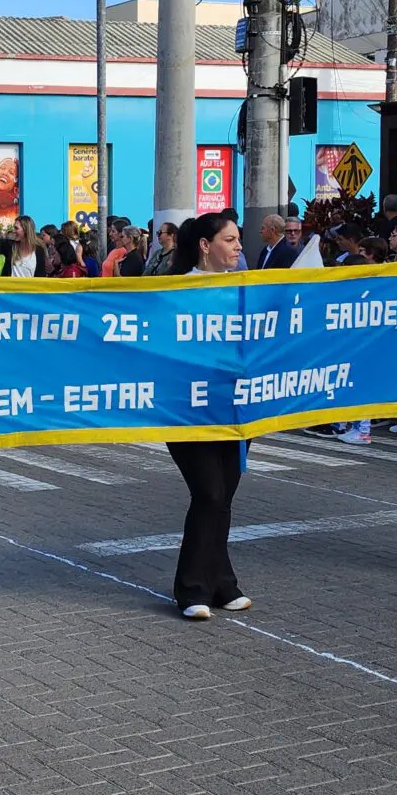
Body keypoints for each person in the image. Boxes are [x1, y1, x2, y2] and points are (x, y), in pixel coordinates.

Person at [165, 212, 252, 620]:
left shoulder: (247, 287)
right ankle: (191, 589)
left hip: (235, 407)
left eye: (238, 240)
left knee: (224, 496)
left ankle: (221, 583)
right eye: (230, 240)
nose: (238, 247)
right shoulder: (174, 290)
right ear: (205, 244)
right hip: (187, 409)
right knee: (210, 493)